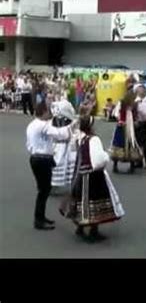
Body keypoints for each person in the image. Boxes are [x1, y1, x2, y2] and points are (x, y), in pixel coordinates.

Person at [60, 115, 125, 243]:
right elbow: (98, 160)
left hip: (80, 173)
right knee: (94, 201)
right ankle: (93, 230)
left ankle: (80, 227)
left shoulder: (80, 138)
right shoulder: (93, 139)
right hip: (92, 175)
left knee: (81, 200)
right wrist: (106, 156)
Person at [26, 102, 76, 230]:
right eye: (48, 111)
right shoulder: (43, 125)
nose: (50, 114)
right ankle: (38, 220)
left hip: (36, 158)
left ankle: (41, 217)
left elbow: (30, 144)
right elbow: (60, 134)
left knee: (44, 190)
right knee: (44, 191)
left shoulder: (32, 125)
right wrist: (73, 125)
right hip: (42, 159)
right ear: (43, 112)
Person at [110, 92, 142, 173]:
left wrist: (135, 121)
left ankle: (132, 166)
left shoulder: (134, 105)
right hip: (122, 127)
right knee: (119, 144)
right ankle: (115, 165)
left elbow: (135, 115)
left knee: (131, 144)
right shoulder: (121, 103)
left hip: (130, 127)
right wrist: (120, 120)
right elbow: (116, 113)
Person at [50, 100, 78, 194]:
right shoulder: (63, 120)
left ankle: (55, 185)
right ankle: (55, 185)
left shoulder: (60, 119)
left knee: (62, 165)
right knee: (62, 165)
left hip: (62, 145)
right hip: (62, 145)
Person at [134, 84, 146, 170]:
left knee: (145, 143)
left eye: (142, 89)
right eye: (139, 89)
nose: (141, 90)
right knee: (137, 143)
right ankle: (139, 161)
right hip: (137, 123)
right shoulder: (135, 100)